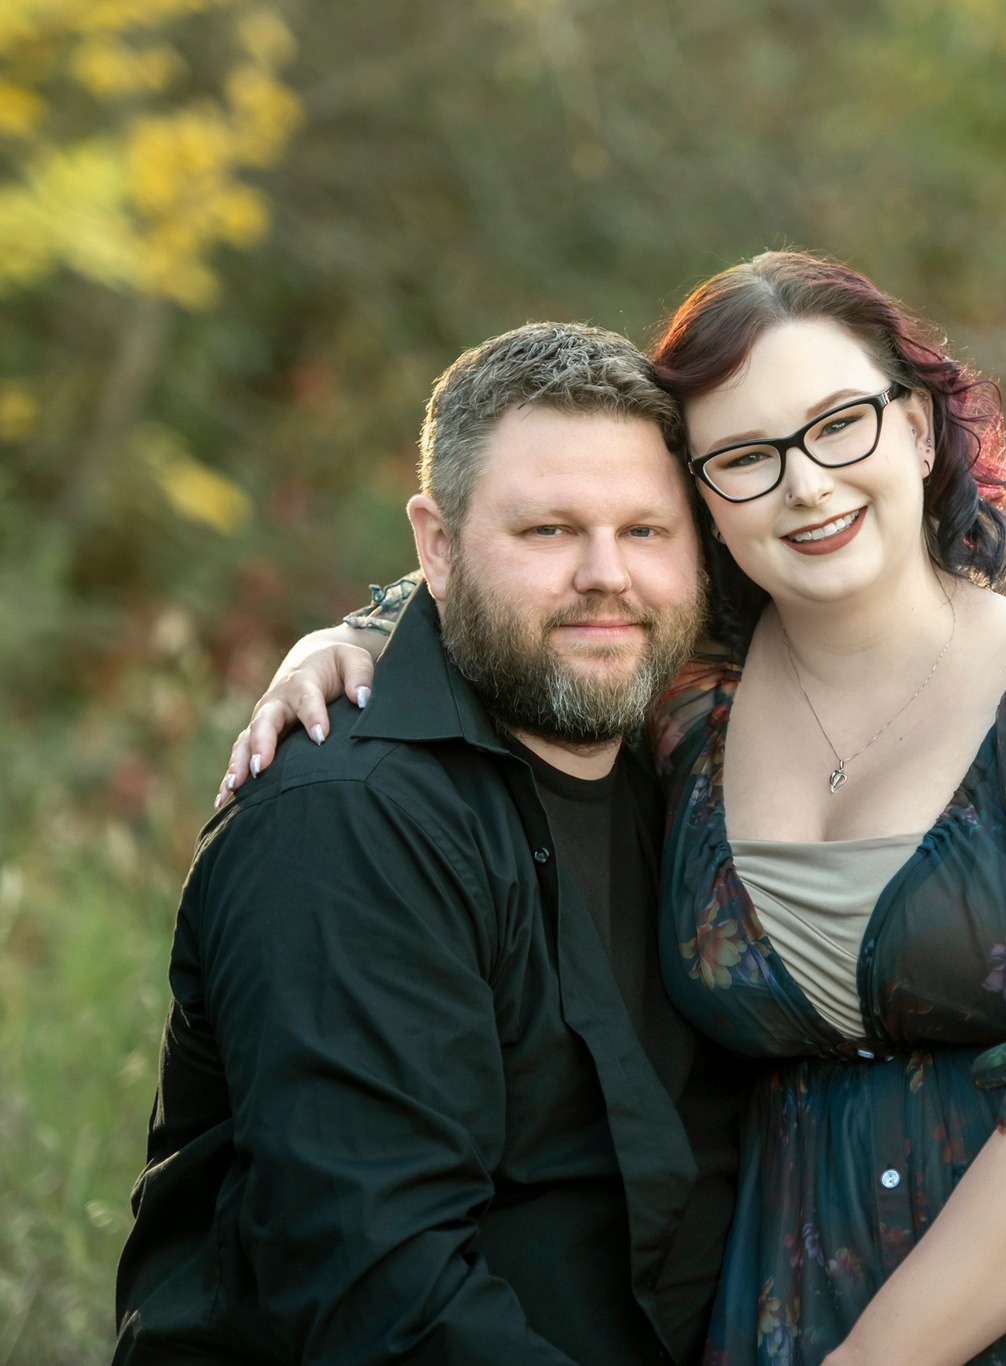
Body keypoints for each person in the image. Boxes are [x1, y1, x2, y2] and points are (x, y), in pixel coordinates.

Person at [220, 252, 1006, 1365]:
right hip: (788, 1297)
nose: (805, 483)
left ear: (917, 427)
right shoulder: (685, 705)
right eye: (746, 457)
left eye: (839, 425)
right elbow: (545, 572)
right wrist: (360, 634)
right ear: (706, 499)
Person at [114, 322, 744, 1365]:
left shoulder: (684, 762)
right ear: (436, 544)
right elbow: (378, 1294)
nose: (606, 575)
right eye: (546, 530)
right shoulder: (347, 818)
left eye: (646, 530)